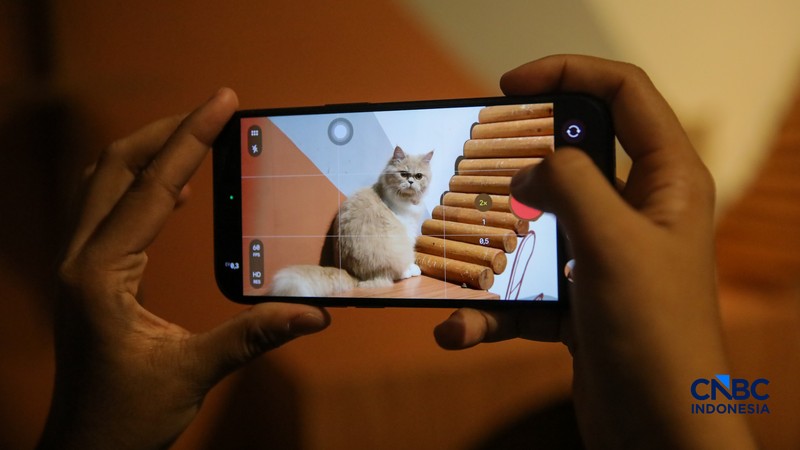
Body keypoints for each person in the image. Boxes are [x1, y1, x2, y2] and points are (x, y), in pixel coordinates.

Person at [37, 55, 757, 449]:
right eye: (407, 174)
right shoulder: (390, 195)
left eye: (417, 174)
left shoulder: (416, 195)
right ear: (396, 173)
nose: (413, 180)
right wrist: (694, 417)